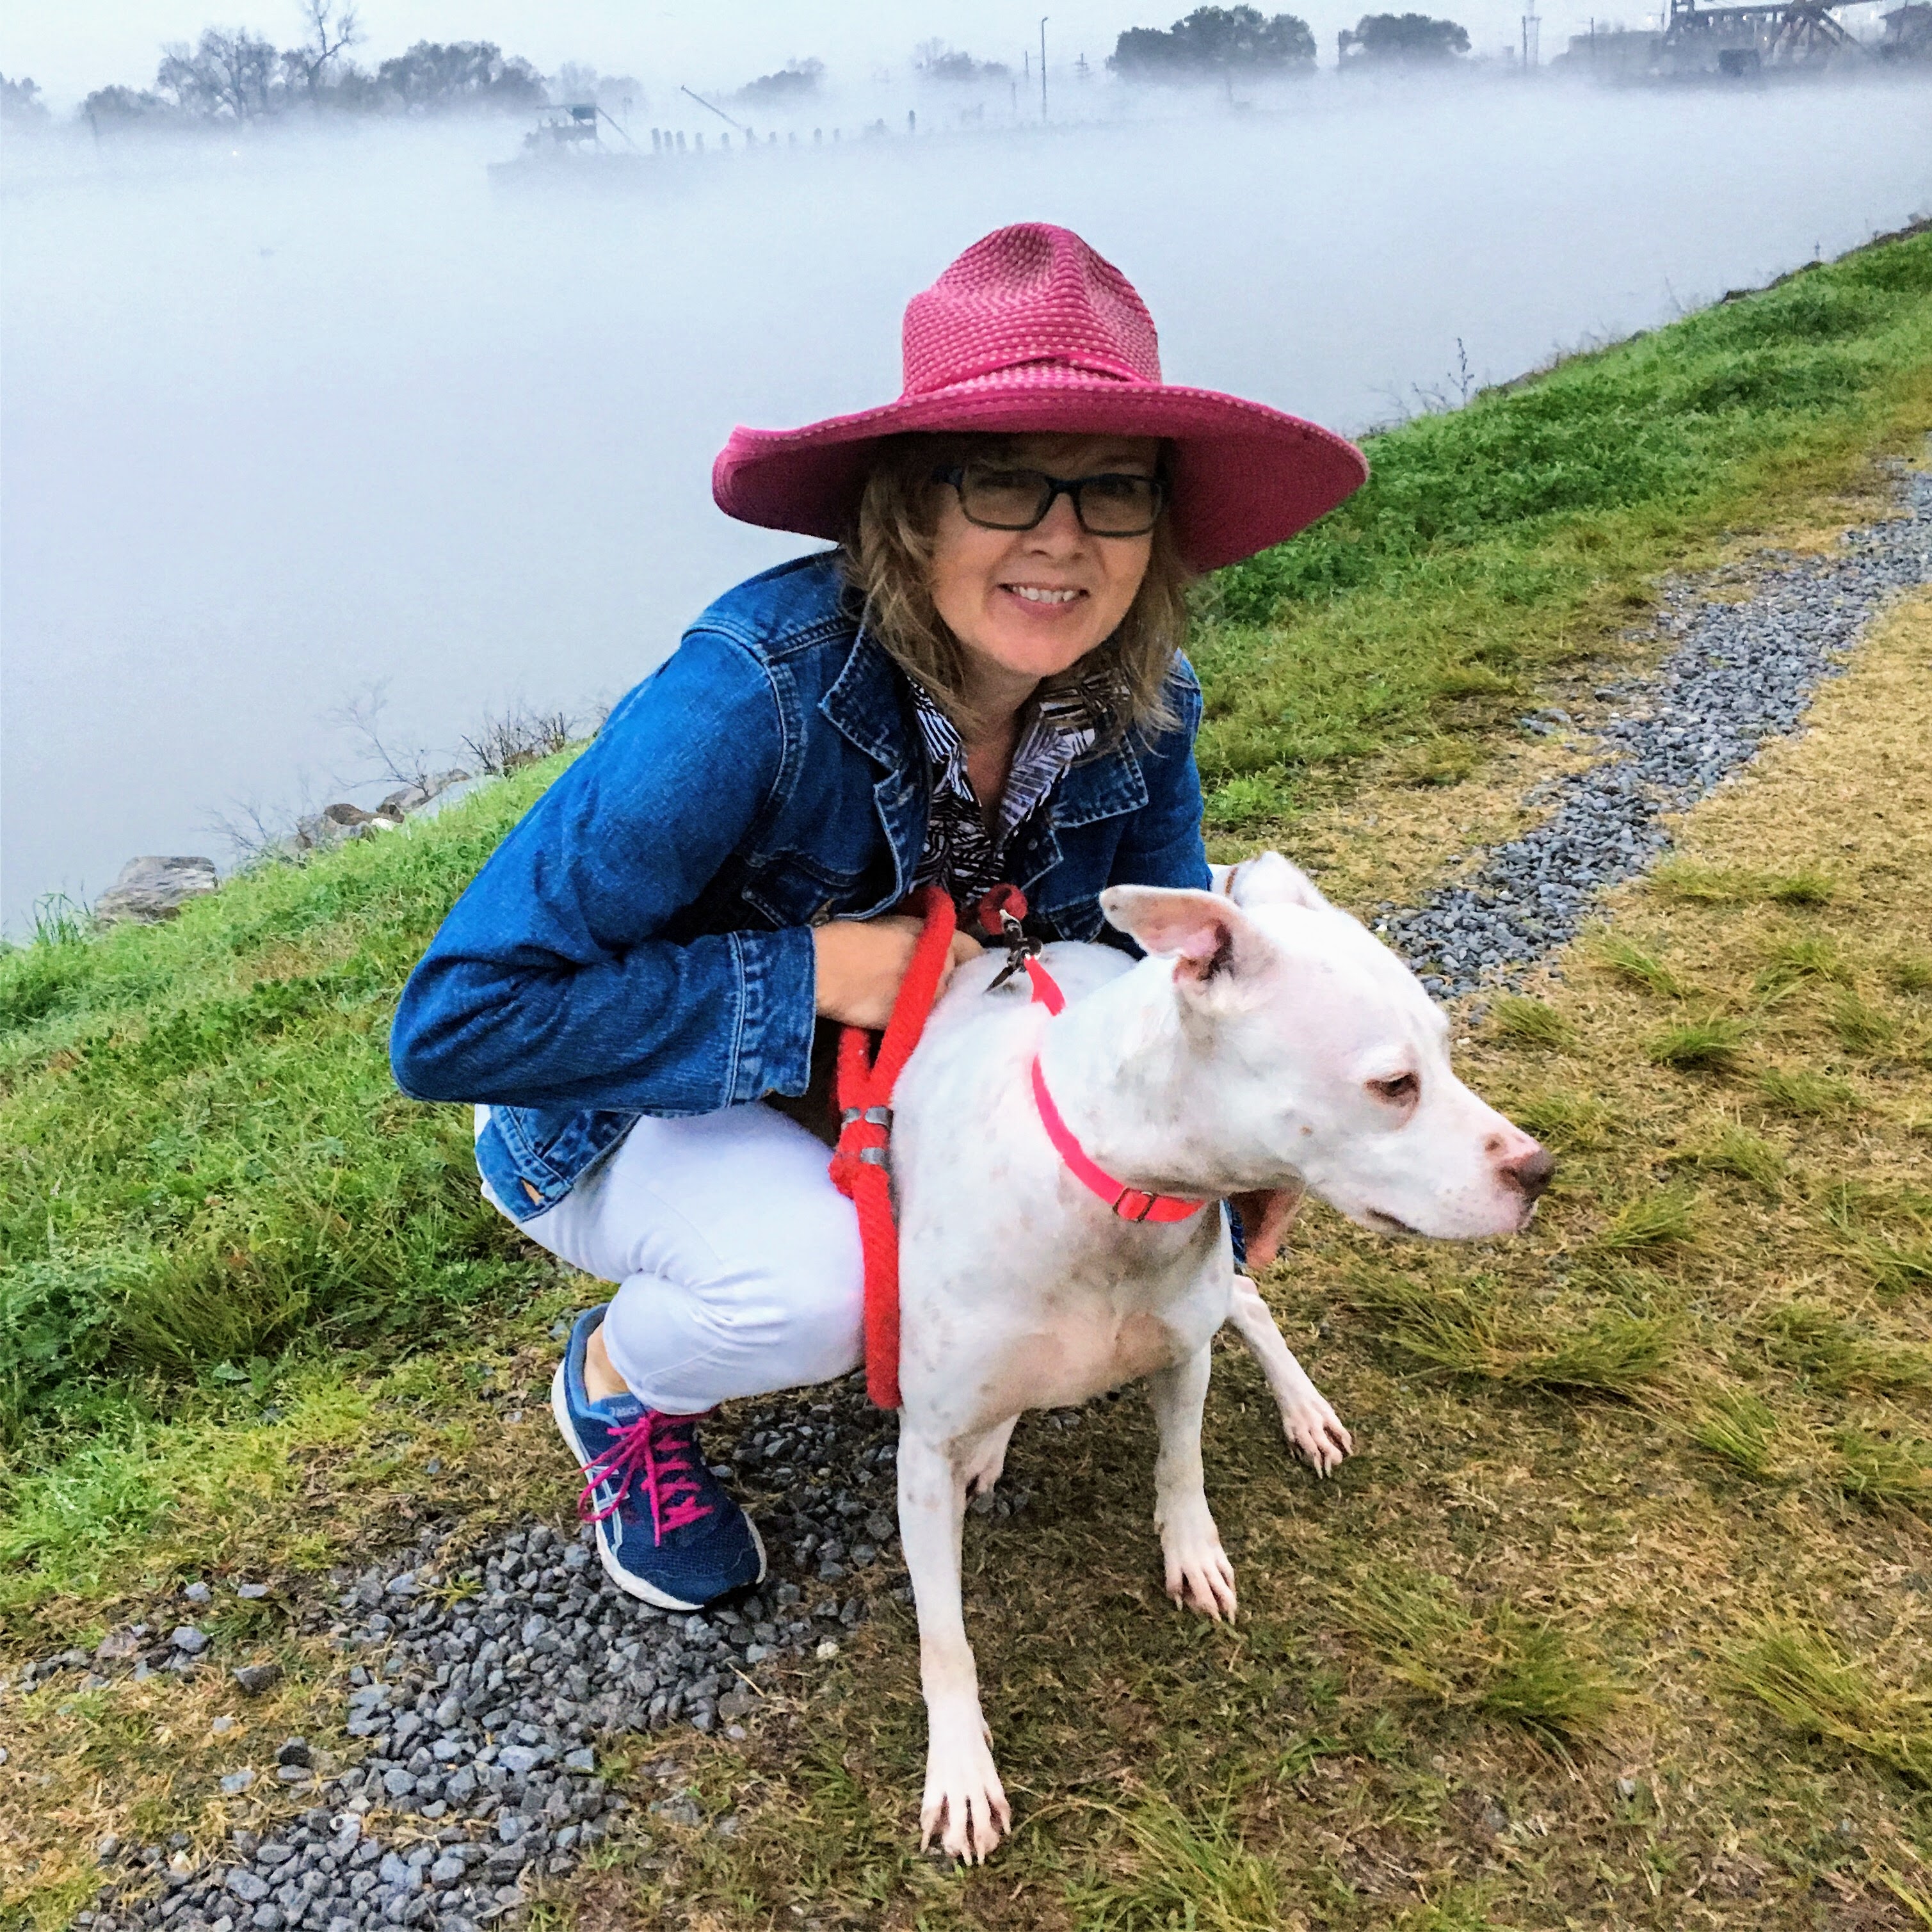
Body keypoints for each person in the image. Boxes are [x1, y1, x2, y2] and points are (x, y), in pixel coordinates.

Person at [389, 222, 1365, 1611]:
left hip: (892, 1096)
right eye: (1002, 484)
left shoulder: (1147, 702)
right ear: (907, 511)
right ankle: (615, 1386)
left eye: (1113, 492)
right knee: (820, 1296)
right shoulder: (753, 693)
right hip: (620, 1107)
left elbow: (1150, 970)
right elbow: (461, 1023)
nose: (1063, 540)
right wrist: (819, 973)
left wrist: (1241, 1131)